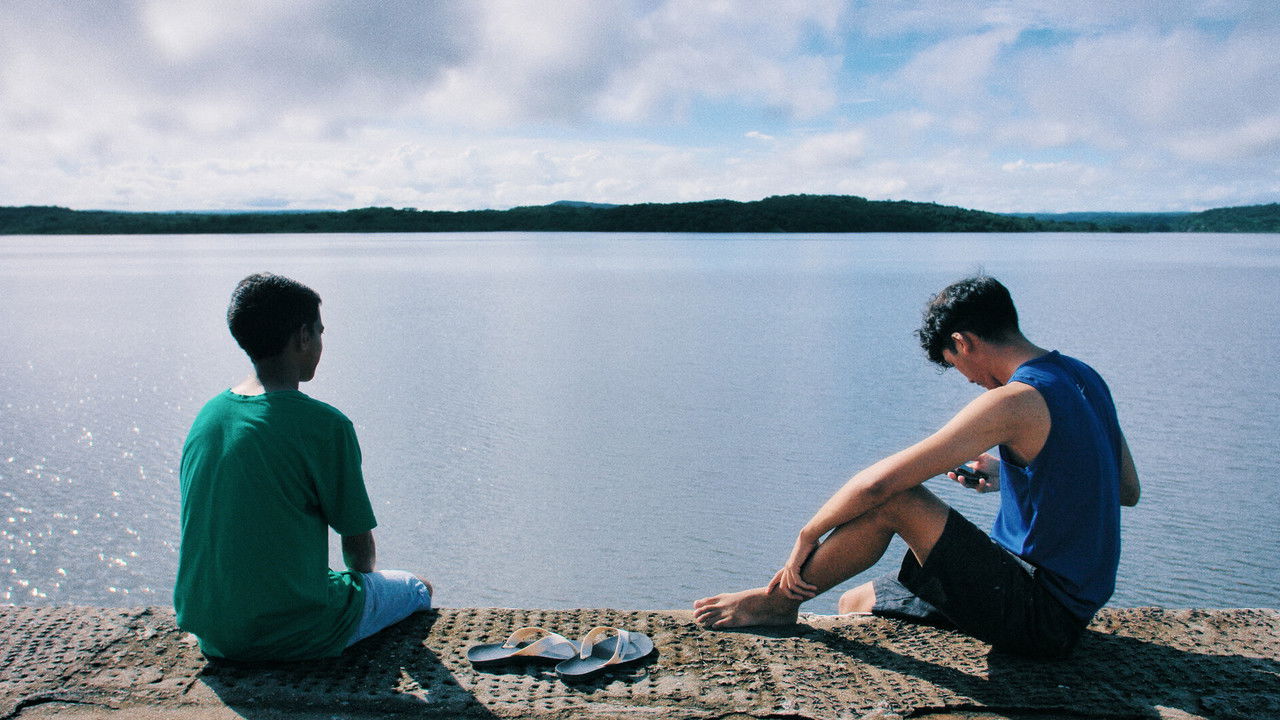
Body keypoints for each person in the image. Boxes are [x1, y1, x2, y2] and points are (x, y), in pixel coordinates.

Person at [694, 275, 1140, 658]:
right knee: (855, 602)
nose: (970, 380)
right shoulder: (1083, 376)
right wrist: (1012, 476)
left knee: (898, 500)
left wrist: (806, 535)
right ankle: (795, 602)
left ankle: (776, 603)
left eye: (956, 364)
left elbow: (880, 485)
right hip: (1063, 604)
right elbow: (1124, 489)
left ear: (963, 342)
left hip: (1039, 613)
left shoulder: (1015, 400)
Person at [174, 273, 433, 662]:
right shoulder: (324, 425)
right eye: (319, 332)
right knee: (417, 588)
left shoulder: (209, 416)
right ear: (303, 337)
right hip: (292, 629)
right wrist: (360, 592)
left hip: (212, 629)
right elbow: (358, 554)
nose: (321, 344)